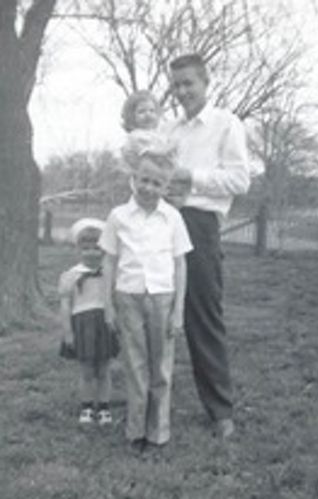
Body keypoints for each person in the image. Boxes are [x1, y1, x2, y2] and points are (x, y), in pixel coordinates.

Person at [168, 53, 250, 439]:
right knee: (155, 313)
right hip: (161, 225)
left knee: (203, 317)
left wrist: (190, 177)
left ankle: (220, 410)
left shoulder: (225, 124)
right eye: (177, 84)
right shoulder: (171, 131)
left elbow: (239, 180)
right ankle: (151, 404)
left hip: (199, 226)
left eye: (189, 83)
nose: (182, 91)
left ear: (205, 82)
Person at [99, 145, 193, 449]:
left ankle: (158, 433)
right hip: (129, 298)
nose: (148, 188)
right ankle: (136, 431)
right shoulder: (118, 216)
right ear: (134, 178)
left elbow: (180, 264)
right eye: (144, 180)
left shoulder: (173, 218)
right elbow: (109, 261)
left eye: (157, 183)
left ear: (166, 187)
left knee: (161, 368)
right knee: (135, 366)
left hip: (162, 299)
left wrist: (178, 310)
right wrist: (107, 305)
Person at [58, 218, 118, 426]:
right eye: (86, 248)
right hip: (82, 325)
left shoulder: (109, 274)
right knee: (86, 370)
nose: (92, 253)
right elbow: (65, 305)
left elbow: (115, 299)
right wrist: (68, 333)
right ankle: (86, 407)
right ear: (78, 250)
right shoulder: (71, 276)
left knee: (104, 368)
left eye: (96, 248)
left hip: (104, 323)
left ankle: (103, 407)